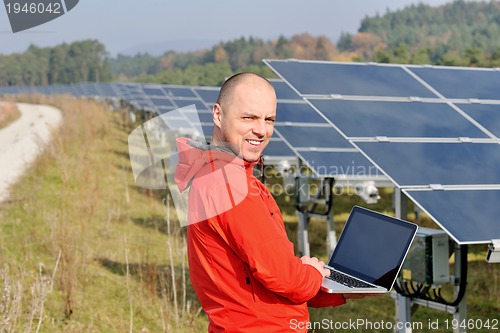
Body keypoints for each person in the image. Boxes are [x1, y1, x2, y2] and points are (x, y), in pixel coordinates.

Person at [175, 72, 367, 332]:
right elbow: (284, 278)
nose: (262, 130)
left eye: (269, 119)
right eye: (249, 117)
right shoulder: (229, 185)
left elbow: (260, 277)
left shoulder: (220, 173)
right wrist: (311, 272)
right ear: (218, 115)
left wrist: (338, 289)